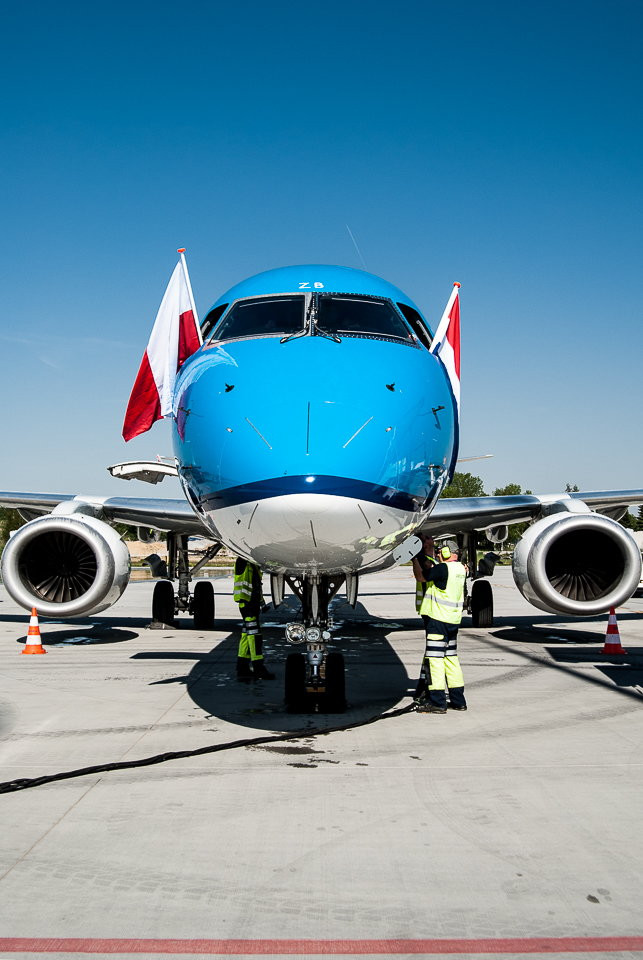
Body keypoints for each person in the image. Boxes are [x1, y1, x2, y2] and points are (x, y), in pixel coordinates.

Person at [413, 539, 468, 713]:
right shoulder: (461, 569)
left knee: (435, 661)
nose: (437, 554)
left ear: (446, 552)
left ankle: (437, 702)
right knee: (451, 660)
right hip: (453, 621)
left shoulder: (444, 569)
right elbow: (435, 569)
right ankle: (458, 700)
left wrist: (414, 559)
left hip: (438, 621)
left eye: (439, 551)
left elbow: (421, 576)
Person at [233, 558, 274, 680]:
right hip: (247, 604)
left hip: (252, 604)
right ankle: (258, 667)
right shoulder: (243, 562)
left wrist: (262, 604)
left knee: (246, 634)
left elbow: (257, 587)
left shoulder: (254, 566)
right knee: (255, 636)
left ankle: (242, 666)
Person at [411, 535, 436, 699]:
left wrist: (414, 559)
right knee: (435, 652)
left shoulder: (431, 563)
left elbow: (420, 577)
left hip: (436, 613)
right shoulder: (429, 560)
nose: (424, 541)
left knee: (434, 653)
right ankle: (426, 685)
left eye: (426, 538)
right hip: (435, 613)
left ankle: (428, 688)